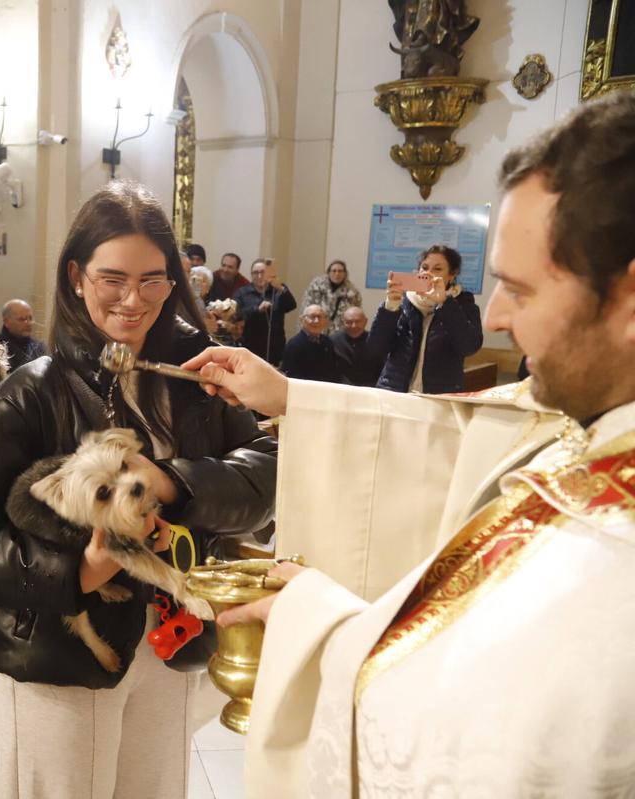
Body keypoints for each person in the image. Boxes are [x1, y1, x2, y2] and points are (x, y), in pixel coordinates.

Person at [182, 92, 635, 796]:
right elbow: (467, 440)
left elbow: (472, 737)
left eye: (519, 289)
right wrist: (293, 398)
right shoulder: (591, 418)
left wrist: (313, 620)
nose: (498, 316)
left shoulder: (609, 548)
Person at [0, 182, 278, 799]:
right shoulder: (34, 391)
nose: (134, 300)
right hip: (58, 648)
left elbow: (265, 473)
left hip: (170, 639)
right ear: (76, 277)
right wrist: (74, 572)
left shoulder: (198, 379)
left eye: (153, 281)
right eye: (113, 279)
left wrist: (174, 482)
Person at [367, 244, 483, 393]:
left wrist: (444, 303)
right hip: (395, 392)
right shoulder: (404, 302)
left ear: (452, 275)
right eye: (425, 267)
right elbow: (376, 349)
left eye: (437, 269)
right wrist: (390, 307)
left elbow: (469, 347)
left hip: (439, 396)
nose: (428, 273)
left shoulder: (463, 304)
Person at [234, 258, 297, 365]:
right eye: (255, 273)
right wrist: (257, 309)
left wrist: (280, 288)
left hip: (275, 348)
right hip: (251, 346)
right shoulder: (242, 292)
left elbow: (291, 306)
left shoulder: (278, 290)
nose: (259, 276)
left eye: (263, 272)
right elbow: (236, 314)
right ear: (251, 274)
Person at [279, 305, 341, 383]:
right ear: (302, 320)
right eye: (312, 317)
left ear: (325, 321)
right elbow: (290, 375)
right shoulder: (294, 345)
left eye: (319, 317)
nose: (316, 321)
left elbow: (333, 371)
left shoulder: (328, 342)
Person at [300, 259, 362, 331]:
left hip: (339, 330)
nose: (337, 274)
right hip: (317, 328)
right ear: (328, 273)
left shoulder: (352, 292)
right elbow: (306, 310)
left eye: (340, 271)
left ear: (345, 274)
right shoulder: (316, 287)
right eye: (334, 271)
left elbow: (356, 313)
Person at [330, 306, 382, 386]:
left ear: (365, 322)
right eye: (349, 322)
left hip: (368, 389)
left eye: (357, 322)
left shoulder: (375, 341)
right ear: (343, 322)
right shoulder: (333, 341)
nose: (353, 326)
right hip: (340, 389)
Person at [0, 298, 48, 371]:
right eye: (22, 319)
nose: (28, 323)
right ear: (6, 322)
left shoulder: (38, 347)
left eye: (30, 318)